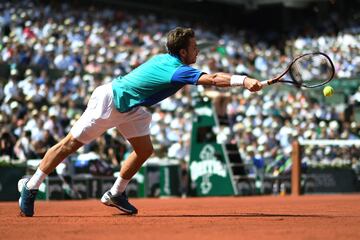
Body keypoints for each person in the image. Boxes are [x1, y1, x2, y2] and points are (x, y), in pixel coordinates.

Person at [18, 27, 262, 217]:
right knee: (69, 145)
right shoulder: (177, 69)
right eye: (194, 47)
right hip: (111, 101)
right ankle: (31, 186)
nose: (198, 51)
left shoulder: (166, 60)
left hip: (132, 108)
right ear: (183, 53)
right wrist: (243, 80)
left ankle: (116, 193)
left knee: (144, 150)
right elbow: (213, 79)